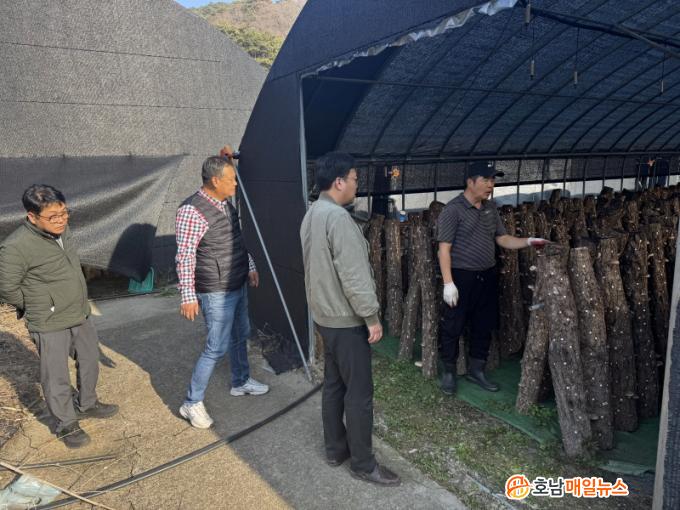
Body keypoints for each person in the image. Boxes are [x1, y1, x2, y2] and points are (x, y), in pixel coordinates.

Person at [300, 152, 401, 487]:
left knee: (334, 384)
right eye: (355, 179)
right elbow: (354, 275)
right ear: (339, 181)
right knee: (359, 393)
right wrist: (371, 317)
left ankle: (335, 450)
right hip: (345, 319)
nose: (358, 185)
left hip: (324, 316)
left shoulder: (312, 213)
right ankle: (363, 464)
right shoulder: (339, 219)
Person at [0, 185, 118, 448]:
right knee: (56, 375)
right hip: (49, 321)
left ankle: (87, 404)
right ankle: (66, 424)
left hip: (79, 312)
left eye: (64, 213)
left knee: (89, 359)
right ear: (32, 217)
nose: (61, 220)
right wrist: (38, 305)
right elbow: (7, 287)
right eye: (53, 216)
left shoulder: (64, 230)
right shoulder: (16, 246)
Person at [437, 161, 547, 395]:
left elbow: (502, 238)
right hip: (461, 276)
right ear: (470, 182)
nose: (491, 185)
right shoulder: (453, 210)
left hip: (487, 275)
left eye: (493, 180)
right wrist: (448, 283)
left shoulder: (490, 208)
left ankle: (477, 370)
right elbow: (444, 249)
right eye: (486, 180)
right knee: (453, 325)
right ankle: (448, 371)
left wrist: (528, 241)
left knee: (483, 324)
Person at [175, 154, 268, 429]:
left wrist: (250, 265)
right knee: (216, 347)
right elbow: (185, 256)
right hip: (215, 290)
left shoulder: (226, 204)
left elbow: (235, 239)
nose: (236, 184)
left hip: (236, 280)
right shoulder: (191, 211)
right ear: (215, 181)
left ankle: (241, 381)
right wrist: (188, 295)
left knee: (241, 334)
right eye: (231, 180)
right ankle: (191, 402)